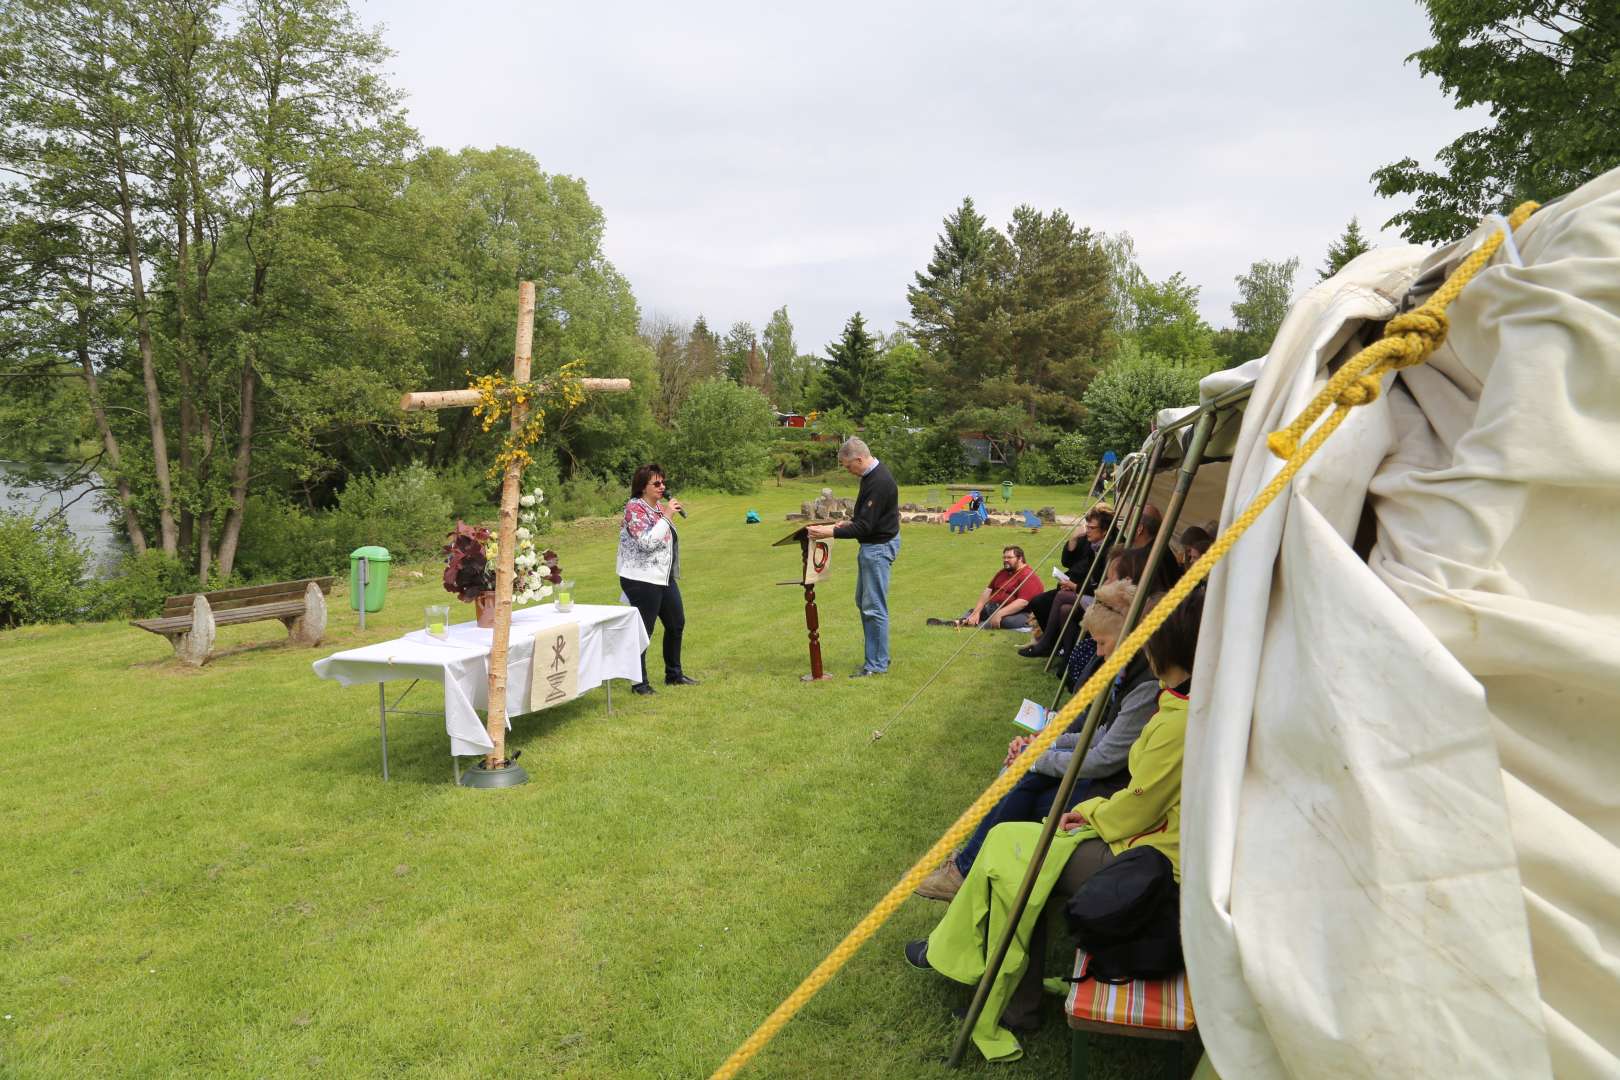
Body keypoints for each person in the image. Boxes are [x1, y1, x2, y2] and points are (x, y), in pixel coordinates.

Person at [904, 587, 1205, 1059]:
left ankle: (1001, 994)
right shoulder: (1179, 702)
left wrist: (1086, 811)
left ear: (1161, 644)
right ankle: (968, 963)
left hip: (1155, 860)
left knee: (1021, 859)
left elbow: (1138, 807)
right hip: (1148, 842)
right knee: (1012, 841)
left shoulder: (1176, 717)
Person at [914, 580, 1159, 901]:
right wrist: (1042, 748)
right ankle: (968, 866)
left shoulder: (1144, 684)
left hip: (1113, 793)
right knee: (1027, 776)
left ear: (1127, 637)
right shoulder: (1132, 670)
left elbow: (1105, 758)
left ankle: (966, 870)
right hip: (1110, 782)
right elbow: (1103, 735)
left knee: (1026, 780)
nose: (1098, 652)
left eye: (1101, 643)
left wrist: (1035, 756)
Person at [806, 438, 899, 677]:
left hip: (877, 548)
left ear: (859, 459)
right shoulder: (871, 476)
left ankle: (876, 665)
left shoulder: (879, 481)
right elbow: (866, 520)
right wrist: (848, 523)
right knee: (864, 601)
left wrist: (830, 531)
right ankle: (878, 658)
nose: (848, 471)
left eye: (848, 466)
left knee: (873, 606)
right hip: (873, 545)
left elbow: (866, 527)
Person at [616, 463, 697, 695]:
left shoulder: (658, 508)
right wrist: (668, 516)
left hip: (663, 577)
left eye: (663, 482)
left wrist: (666, 514)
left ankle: (674, 675)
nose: (663, 487)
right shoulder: (634, 508)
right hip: (640, 579)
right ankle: (639, 683)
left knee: (676, 623)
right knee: (644, 630)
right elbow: (647, 543)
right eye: (657, 483)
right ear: (643, 487)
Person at [1019, 506, 1113, 658]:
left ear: (1105, 530)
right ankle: (1064, 652)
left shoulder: (1110, 549)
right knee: (1051, 605)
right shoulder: (1091, 543)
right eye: (1087, 526)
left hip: (1095, 595)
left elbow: (1101, 583)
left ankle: (1047, 643)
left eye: (1092, 527)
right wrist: (1073, 538)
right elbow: (1067, 561)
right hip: (1080, 588)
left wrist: (1075, 586)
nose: (1087, 530)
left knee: (1060, 598)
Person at [927, 546, 1044, 630]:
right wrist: (977, 611)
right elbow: (987, 592)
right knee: (977, 611)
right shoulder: (1003, 572)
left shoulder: (1028, 576)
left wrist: (1000, 614)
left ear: (1020, 558)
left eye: (1009, 557)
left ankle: (964, 623)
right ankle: (962, 620)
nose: (1005, 560)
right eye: (1004, 557)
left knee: (1006, 621)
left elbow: (1022, 603)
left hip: (1022, 613)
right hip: (994, 608)